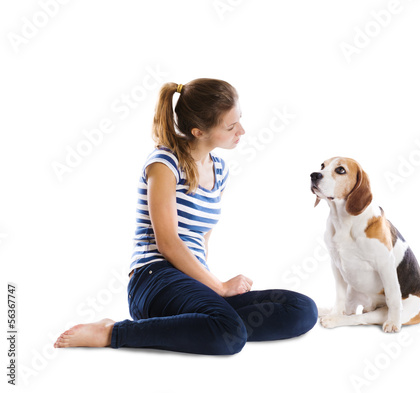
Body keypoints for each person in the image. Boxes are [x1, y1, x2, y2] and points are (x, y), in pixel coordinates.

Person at [54, 78, 318, 355]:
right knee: (230, 332)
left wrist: (208, 287)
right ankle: (112, 331)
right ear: (199, 131)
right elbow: (167, 242)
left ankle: (191, 327)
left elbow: (202, 239)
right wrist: (219, 286)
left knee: (301, 310)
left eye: (240, 120)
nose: (242, 130)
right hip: (154, 278)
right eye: (230, 126)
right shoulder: (164, 164)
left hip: (191, 282)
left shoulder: (219, 169)